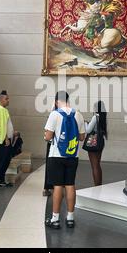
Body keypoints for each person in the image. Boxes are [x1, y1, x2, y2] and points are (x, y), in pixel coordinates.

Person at [43, 91, 86, 229]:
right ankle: (70, 218)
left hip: (56, 156)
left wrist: (46, 135)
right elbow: (81, 137)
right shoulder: (78, 114)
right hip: (73, 156)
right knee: (70, 185)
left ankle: (55, 219)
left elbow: (48, 137)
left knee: (57, 186)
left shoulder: (54, 114)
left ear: (56, 102)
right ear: (68, 100)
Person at [84, 101, 108, 186]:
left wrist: (85, 123)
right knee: (97, 164)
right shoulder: (103, 117)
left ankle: (97, 185)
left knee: (94, 166)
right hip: (100, 141)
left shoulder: (95, 117)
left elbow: (88, 130)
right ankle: (99, 184)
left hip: (93, 142)